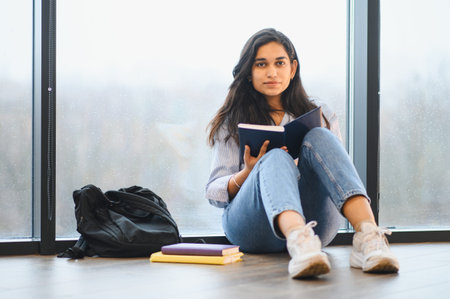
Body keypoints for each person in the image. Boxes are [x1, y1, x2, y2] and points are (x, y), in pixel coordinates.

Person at [205, 28, 399, 279]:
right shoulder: (231, 122)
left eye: (280, 63)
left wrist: (298, 165)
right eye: (261, 64)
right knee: (274, 157)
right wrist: (248, 173)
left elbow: (338, 175)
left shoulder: (322, 113)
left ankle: (369, 236)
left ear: (293, 68)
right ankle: (299, 243)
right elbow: (213, 193)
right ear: (249, 72)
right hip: (253, 227)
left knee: (320, 136)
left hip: (316, 224)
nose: (272, 72)